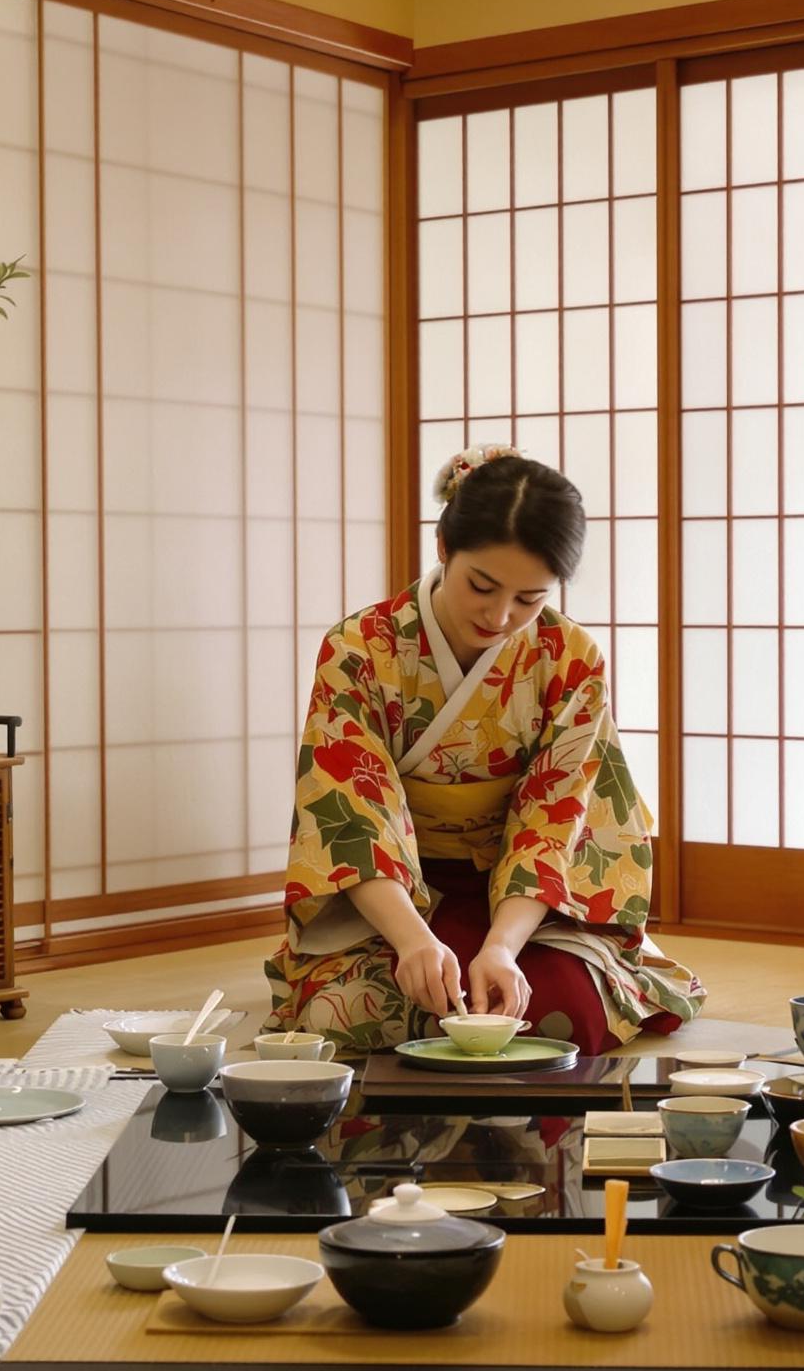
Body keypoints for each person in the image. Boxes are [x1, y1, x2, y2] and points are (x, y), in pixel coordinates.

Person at [265, 446, 703, 1053]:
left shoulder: (569, 657)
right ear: (444, 546)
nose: (500, 616)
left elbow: (555, 817)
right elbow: (352, 819)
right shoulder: (361, 648)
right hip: (399, 894)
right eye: (483, 585)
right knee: (353, 1013)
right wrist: (415, 942)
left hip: (528, 898)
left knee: (561, 1010)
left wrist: (501, 945)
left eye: (530, 599)